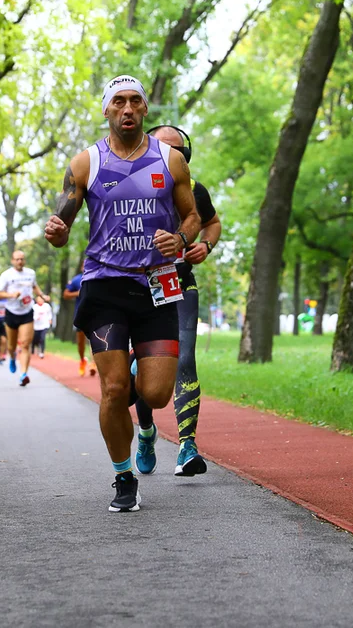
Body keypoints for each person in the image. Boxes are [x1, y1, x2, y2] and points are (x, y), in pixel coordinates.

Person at [44, 74, 200, 512]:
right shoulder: (84, 163)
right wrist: (56, 231)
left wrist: (181, 239)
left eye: (135, 101)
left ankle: (146, 426)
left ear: (145, 109)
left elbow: (191, 217)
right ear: (106, 110)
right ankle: (123, 477)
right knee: (114, 390)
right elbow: (61, 228)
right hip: (105, 284)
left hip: (157, 284)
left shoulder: (170, 161)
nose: (127, 109)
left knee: (155, 395)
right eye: (119, 102)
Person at [132, 124, 222, 477]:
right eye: (161, 148)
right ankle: (146, 432)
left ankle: (187, 446)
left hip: (179, 282)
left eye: (177, 152)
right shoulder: (125, 185)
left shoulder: (194, 190)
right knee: (143, 364)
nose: (170, 157)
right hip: (135, 284)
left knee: (184, 358)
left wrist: (205, 245)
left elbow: (212, 223)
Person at [0, 250, 48, 387]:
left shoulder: (30, 273)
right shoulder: (6, 275)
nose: (20, 261)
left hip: (27, 311)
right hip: (11, 312)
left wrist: (42, 295)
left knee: (25, 344)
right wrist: (11, 295)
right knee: (11, 346)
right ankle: (12, 357)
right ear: (12, 261)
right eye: (17, 259)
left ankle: (23, 374)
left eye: (22, 259)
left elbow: (34, 286)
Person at [63, 262, 97, 376]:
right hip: (80, 314)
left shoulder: (97, 276)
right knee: (80, 342)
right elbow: (66, 294)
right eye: (84, 265)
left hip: (95, 314)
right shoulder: (76, 280)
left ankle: (93, 364)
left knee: (94, 339)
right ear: (82, 267)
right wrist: (78, 293)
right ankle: (82, 360)